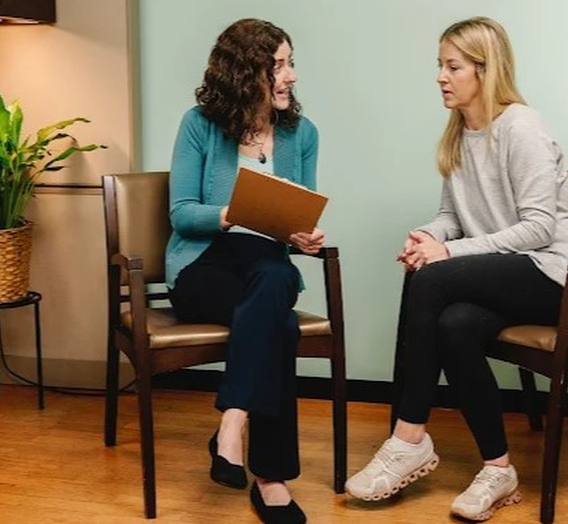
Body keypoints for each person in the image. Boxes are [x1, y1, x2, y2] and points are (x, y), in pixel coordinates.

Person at [344, 16, 568, 522]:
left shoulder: (521, 127)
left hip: (563, 278)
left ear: (484, 70)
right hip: (513, 271)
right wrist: (429, 237)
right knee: (453, 324)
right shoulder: (461, 133)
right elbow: (451, 216)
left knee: (431, 276)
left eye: (452, 66)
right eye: (439, 65)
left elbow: (539, 229)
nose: (441, 76)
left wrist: (447, 256)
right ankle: (499, 468)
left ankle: (407, 436)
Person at [165, 18, 323, 524]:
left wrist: (301, 235)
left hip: (266, 267)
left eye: (290, 63)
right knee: (279, 318)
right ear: (242, 72)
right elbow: (182, 212)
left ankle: (232, 424)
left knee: (274, 282)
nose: (290, 76)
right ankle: (271, 480)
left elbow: (298, 210)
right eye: (277, 65)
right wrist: (235, 213)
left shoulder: (302, 134)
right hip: (203, 265)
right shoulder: (199, 124)